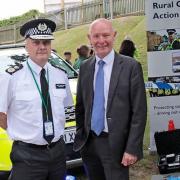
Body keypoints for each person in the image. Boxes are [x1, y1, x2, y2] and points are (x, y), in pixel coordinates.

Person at [73, 18, 147, 180]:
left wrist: (132, 148)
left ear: (114, 35)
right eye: (96, 36)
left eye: (106, 35)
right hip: (90, 144)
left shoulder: (131, 67)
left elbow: (139, 112)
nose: (101, 41)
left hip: (117, 146)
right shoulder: (85, 67)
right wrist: (81, 135)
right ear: (89, 38)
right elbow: (81, 107)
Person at [0, 18, 73, 180]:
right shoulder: (10, 77)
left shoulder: (61, 75)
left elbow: (66, 108)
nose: (42, 47)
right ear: (27, 44)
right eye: (36, 42)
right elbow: (0, 114)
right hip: (27, 155)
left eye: (46, 42)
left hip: (58, 152)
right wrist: (18, 132)